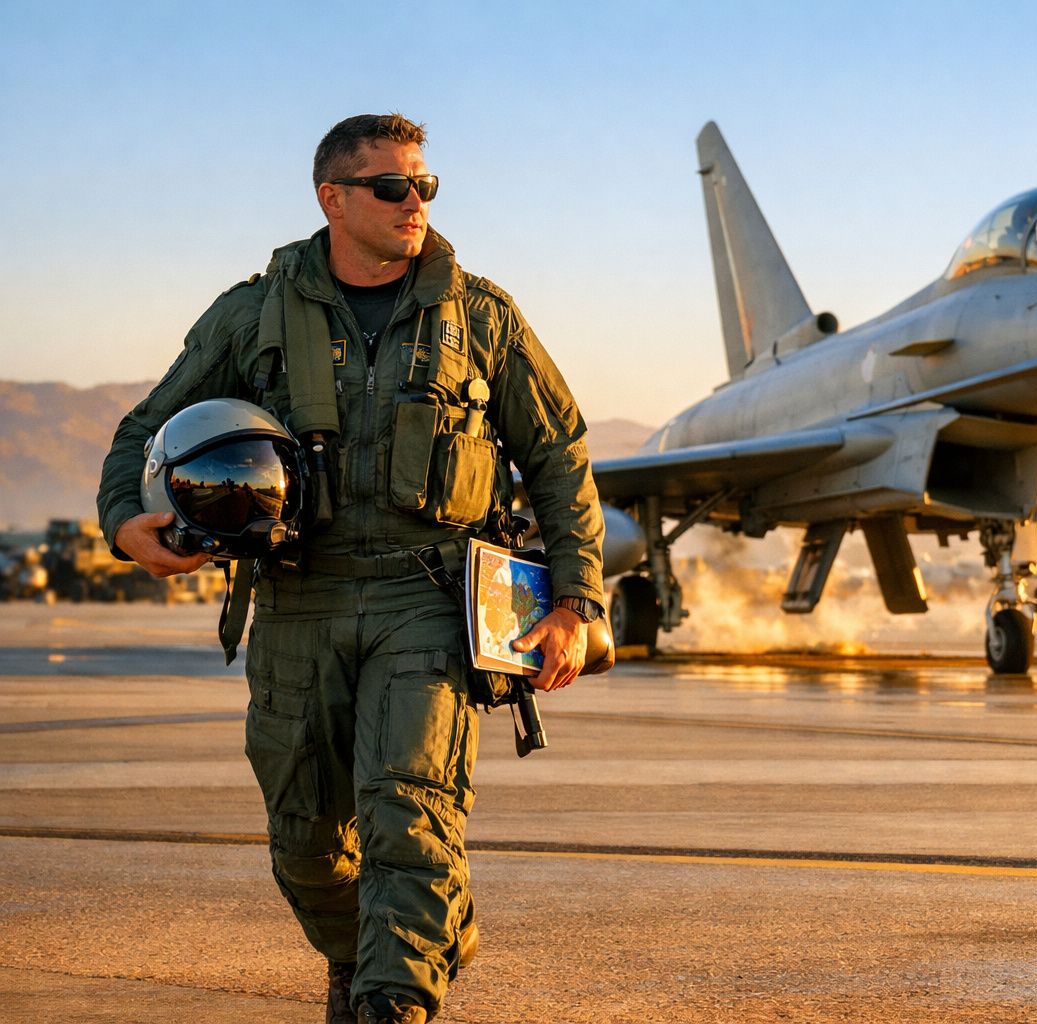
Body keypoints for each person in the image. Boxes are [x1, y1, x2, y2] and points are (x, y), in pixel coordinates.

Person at [97, 113, 606, 1024]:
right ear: (333, 198)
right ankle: (391, 940)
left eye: (426, 186)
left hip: (428, 598)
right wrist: (126, 525)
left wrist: (576, 600)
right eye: (391, 187)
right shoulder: (252, 313)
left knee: (410, 814)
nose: (415, 203)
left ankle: (388, 998)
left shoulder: (479, 315)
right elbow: (145, 430)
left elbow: (560, 454)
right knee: (304, 842)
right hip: (299, 596)